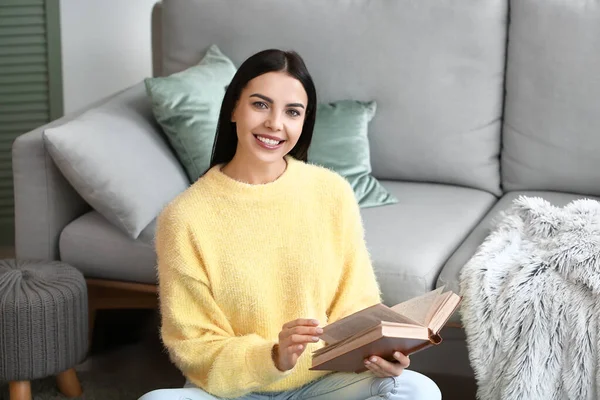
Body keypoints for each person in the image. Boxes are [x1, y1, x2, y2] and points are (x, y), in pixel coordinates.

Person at [139, 49, 441, 400]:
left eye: (292, 112)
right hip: (236, 390)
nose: (274, 124)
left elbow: (356, 303)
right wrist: (272, 356)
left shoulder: (332, 193)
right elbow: (194, 346)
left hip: (326, 381)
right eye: (260, 105)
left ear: (304, 122)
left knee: (417, 390)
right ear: (234, 108)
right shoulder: (184, 217)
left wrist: (379, 354)